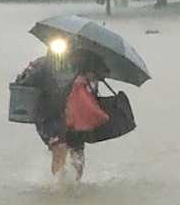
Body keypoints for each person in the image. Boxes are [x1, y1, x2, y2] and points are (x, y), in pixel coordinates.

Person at [15, 48, 109, 180]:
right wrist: (29, 74)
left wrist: (88, 76)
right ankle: (60, 189)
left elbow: (99, 75)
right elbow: (22, 82)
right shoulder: (41, 65)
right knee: (59, 148)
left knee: (77, 152)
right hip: (48, 115)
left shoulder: (81, 63)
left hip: (73, 114)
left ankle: (76, 183)